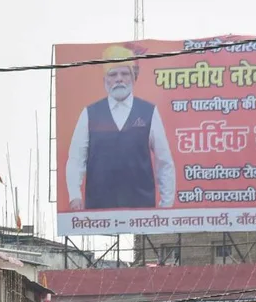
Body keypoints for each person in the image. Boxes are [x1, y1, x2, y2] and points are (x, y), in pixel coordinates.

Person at [65, 45, 176, 210]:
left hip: (141, 209)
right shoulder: (89, 113)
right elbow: (76, 158)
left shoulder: (149, 112)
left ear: (133, 78)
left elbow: (164, 161)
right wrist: (74, 195)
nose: (119, 79)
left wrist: (166, 205)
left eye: (124, 73)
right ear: (105, 80)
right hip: (99, 211)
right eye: (113, 74)